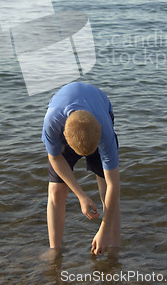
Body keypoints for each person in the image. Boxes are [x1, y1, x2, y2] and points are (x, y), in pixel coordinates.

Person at [41, 82, 120, 258]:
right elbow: (55, 158)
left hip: (99, 108)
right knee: (56, 190)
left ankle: (113, 246)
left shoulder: (104, 131)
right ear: (65, 139)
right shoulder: (52, 123)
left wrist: (103, 229)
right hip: (66, 122)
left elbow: (114, 184)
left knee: (106, 188)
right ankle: (55, 250)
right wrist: (81, 195)